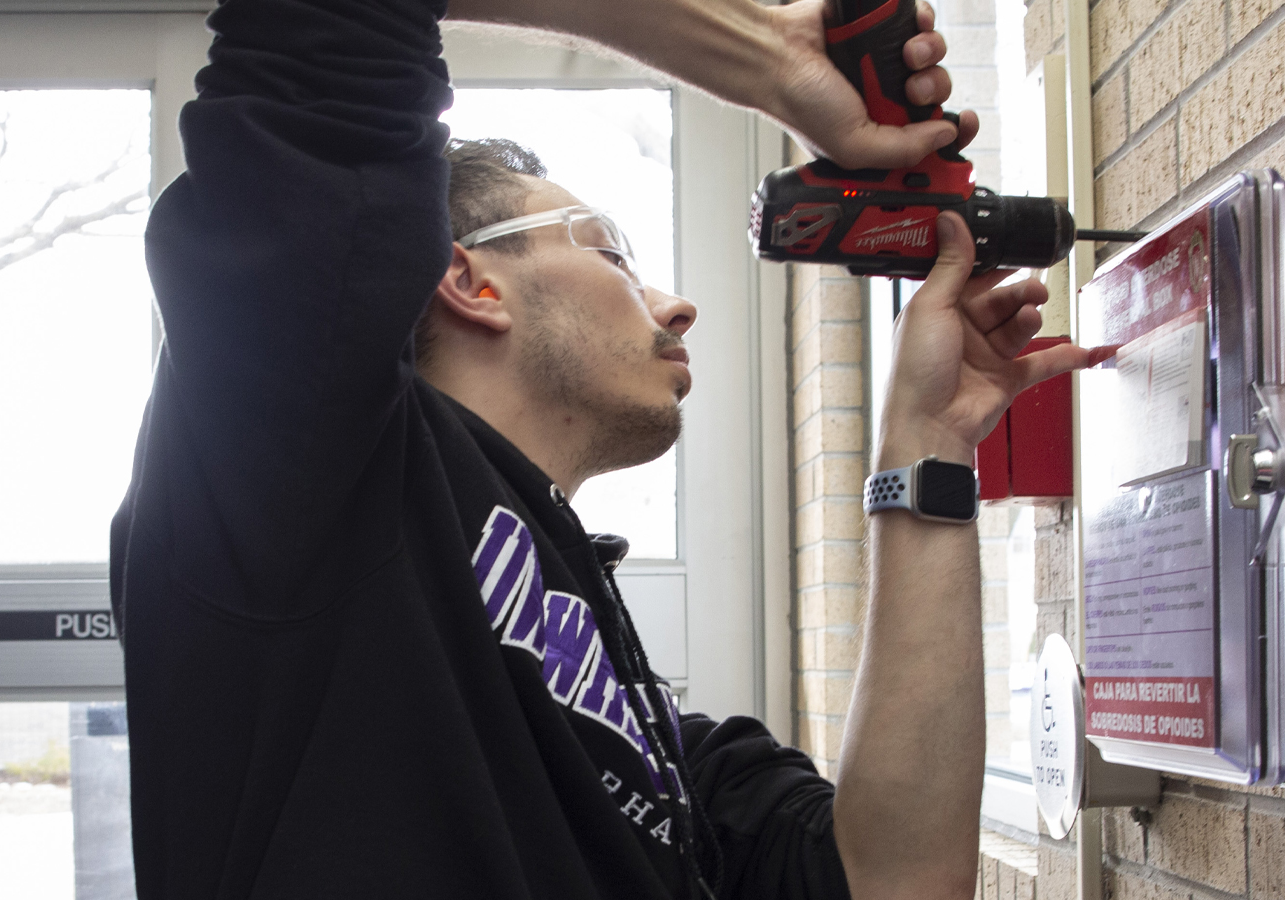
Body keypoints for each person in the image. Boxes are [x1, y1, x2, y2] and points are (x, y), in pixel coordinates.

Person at [109, 0, 1098, 892]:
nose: (675, 302)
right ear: (469, 281)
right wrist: (758, 47)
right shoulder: (303, 467)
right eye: (612, 248)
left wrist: (928, 439)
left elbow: (891, 880)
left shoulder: (626, 708)